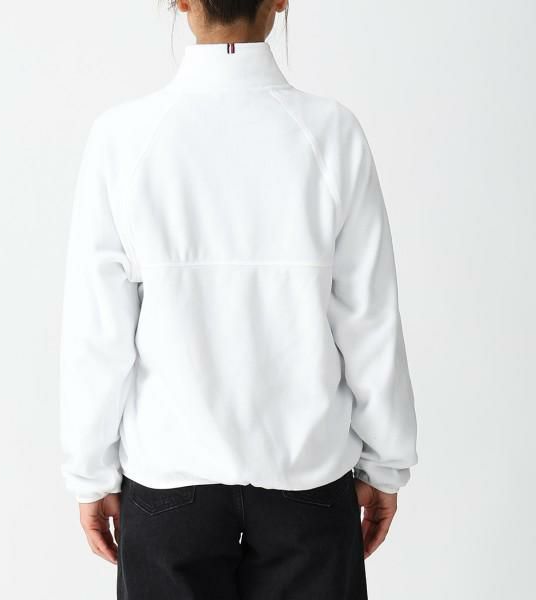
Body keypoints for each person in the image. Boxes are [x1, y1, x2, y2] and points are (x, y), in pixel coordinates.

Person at [59, 1, 419, 598]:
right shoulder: (332, 134)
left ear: (180, 2)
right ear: (280, 0)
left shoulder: (123, 138)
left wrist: (89, 474)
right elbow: (369, 318)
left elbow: (98, 334)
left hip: (170, 488)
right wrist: (387, 463)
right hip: (307, 483)